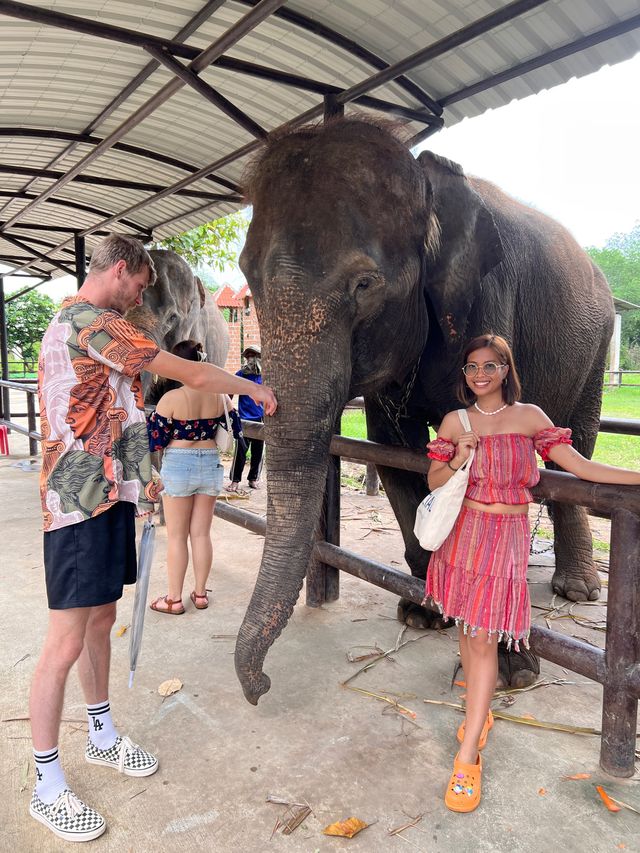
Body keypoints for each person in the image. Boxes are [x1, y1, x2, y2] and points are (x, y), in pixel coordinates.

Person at [33, 234, 277, 843]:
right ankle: (46, 783)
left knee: (100, 619)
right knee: (64, 641)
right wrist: (253, 388)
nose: (144, 294)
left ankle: (100, 733)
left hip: (109, 491)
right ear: (120, 270)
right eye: (141, 284)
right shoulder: (89, 321)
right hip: (79, 500)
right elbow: (186, 369)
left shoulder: (96, 324)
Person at [424, 333, 640, 814]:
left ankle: (467, 754)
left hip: (504, 540)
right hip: (462, 535)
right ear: (465, 374)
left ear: (506, 369)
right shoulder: (455, 421)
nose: (480, 375)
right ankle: (476, 724)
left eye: (490, 366)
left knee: (482, 638)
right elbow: (435, 479)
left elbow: (579, 466)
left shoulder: (530, 417)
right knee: (469, 627)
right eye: (472, 367)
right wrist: (459, 454)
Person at [146, 339, 230, 614]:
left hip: (179, 464)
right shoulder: (220, 395)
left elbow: (155, 440)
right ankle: (201, 594)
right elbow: (234, 427)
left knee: (176, 536)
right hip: (210, 462)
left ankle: (174, 599)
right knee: (201, 534)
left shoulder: (170, 399)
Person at [226, 344, 264, 492]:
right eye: (248, 356)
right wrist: (229, 409)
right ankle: (235, 481)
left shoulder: (264, 375)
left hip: (260, 420)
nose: (251, 359)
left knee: (258, 452)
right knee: (240, 451)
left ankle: (253, 479)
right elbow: (229, 391)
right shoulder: (241, 374)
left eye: (254, 356)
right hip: (243, 420)